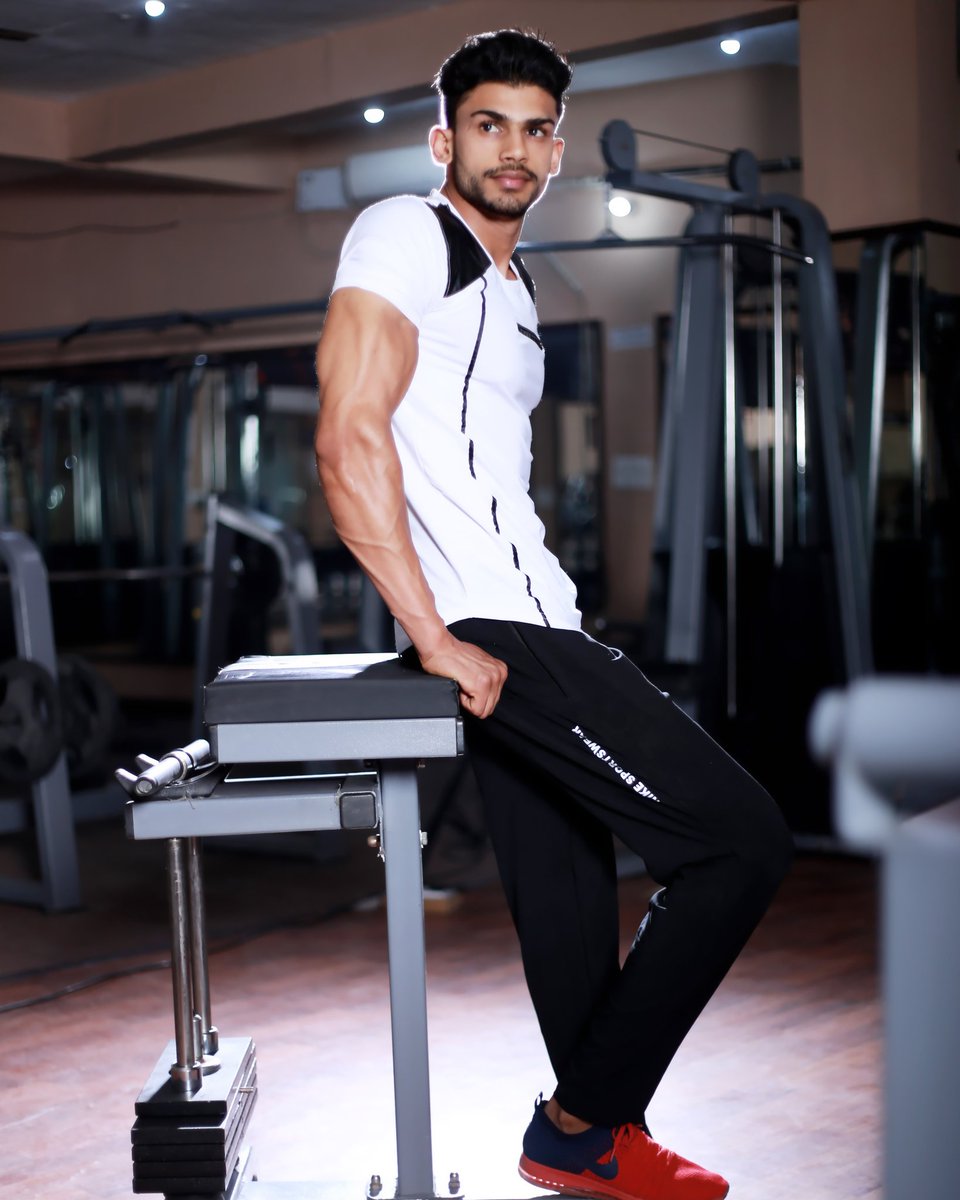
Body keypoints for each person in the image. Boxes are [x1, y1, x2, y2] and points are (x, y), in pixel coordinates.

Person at [315, 28, 793, 1200]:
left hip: (535, 619)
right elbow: (347, 434)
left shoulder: (518, 288)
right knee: (741, 841)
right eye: (490, 125)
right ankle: (579, 1120)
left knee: (570, 896)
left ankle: (594, 1140)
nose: (514, 149)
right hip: (492, 632)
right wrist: (433, 636)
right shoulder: (408, 232)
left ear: (558, 150)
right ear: (445, 141)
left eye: (536, 130)